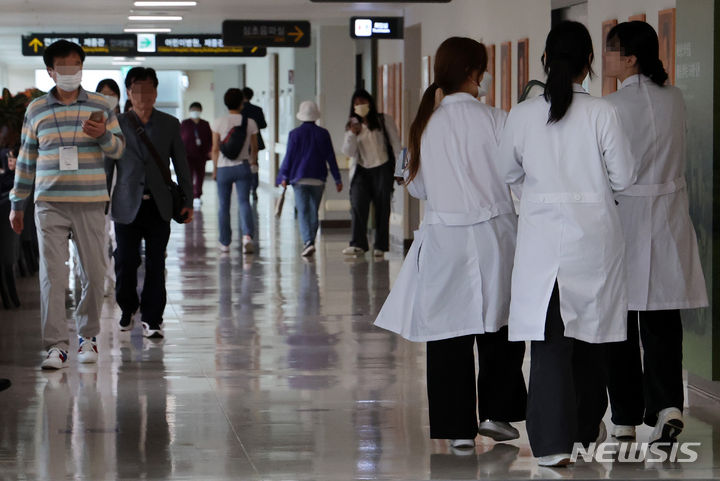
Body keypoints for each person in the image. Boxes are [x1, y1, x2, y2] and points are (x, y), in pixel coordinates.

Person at [375, 37, 527, 450]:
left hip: (445, 239)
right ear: (474, 73)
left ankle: (457, 428)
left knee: (448, 333)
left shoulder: (426, 123)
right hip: (496, 236)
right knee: (499, 325)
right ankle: (497, 414)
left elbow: (418, 187)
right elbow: (517, 177)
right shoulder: (498, 119)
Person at [497, 21, 636, 467]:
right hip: (592, 239)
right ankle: (581, 430)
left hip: (541, 243)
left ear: (545, 61)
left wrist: (540, 192)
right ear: (589, 63)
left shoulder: (521, 115)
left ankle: (554, 443)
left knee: (549, 342)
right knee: (592, 340)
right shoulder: (602, 113)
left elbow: (509, 172)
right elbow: (625, 177)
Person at [603, 21, 708, 444]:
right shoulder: (676, 99)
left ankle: (625, 417)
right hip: (668, 216)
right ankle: (668, 406)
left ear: (629, 58)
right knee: (663, 320)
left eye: (610, 50)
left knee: (620, 323)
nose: (605, 57)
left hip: (624, 217)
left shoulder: (609, 107)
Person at [8, 40, 125, 369]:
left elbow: (118, 150)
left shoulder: (101, 105)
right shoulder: (36, 109)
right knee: (51, 275)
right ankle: (55, 346)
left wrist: (103, 134)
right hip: (50, 203)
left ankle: (88, 337)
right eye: (64, 67)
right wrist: (17, 204)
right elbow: (26, 162)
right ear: (51, 71)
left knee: (94, 272)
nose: (71, 72)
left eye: (76, 65)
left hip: (90, 202)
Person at [108, 67, 193, 339]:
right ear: (129, 93)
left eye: (148, 89)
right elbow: (107, 165)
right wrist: (100, 199)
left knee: (157, 262)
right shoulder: (116, 123)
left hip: (159, 205)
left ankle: (153, 317)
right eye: (137, 90)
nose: (143, 95)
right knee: (125, 260)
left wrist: (188, 200)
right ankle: (128, 307)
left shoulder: (169, 123)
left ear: (156, 92)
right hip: (125, 203)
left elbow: (181, 164)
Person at [276, 101, 343, 257]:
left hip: (298, 179)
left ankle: (308, 241)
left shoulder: (294, 134)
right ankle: (309, 241)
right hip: (318, 179)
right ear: (316, 116)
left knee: (303, 211)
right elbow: (331, 157)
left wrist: (283, 176)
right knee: (313, 211)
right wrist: (337, 179)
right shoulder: (323, 134)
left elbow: (289, 157)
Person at [341, 89, 400, 258]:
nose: (360, 106)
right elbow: (348, 152)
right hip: (361, 170)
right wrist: (353, 133)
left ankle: (381, 245)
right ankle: (358, 243)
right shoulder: (352, 125)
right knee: (358, 205)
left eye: (363, 102)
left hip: (382, 168)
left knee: (383, 207)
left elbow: (397, 145)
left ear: (371, 103)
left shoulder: (383, 120)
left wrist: (400, 171)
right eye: (357, 103)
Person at [211, 88, 258, 254]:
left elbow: (215, 149)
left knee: (223, 206)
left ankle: (225, 243)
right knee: (244, 202)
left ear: (226, 103)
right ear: (241, 103)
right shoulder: (250, 122)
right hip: (243, 166)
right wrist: (254, 163)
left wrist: (215, 169)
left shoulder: (218, 122)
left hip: (224, 168)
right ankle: (247, 237)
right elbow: (255, 147)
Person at [96, 78, 121, 297]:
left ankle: (114, 274)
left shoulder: (125, 122)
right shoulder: (90, 122)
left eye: (112, 94)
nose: (108, 98)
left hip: (121, 185)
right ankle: (106, 276)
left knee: (117, 235)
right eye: (103, 94)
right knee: (101, 235)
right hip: (97, 185)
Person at [180, 102, 212, 205]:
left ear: (200, 111)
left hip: (201, 155)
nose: (195, 112)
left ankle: (197, 195)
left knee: (200, 176)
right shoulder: (185, 123)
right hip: (187, 155)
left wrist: (210, 151)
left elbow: (210, 139)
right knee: (188, 176)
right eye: (193, 110)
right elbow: (179, 139)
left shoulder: (205, 124)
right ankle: (189, 195)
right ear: (190, 111)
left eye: (197, 110)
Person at [242, 87, 267, 201]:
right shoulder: (257, 109)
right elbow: (263, 125)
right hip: (256, 139)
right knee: (254, 162)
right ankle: (254, 188)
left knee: (242, 164)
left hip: (242, 141)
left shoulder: (240, 110)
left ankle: (244, 187)